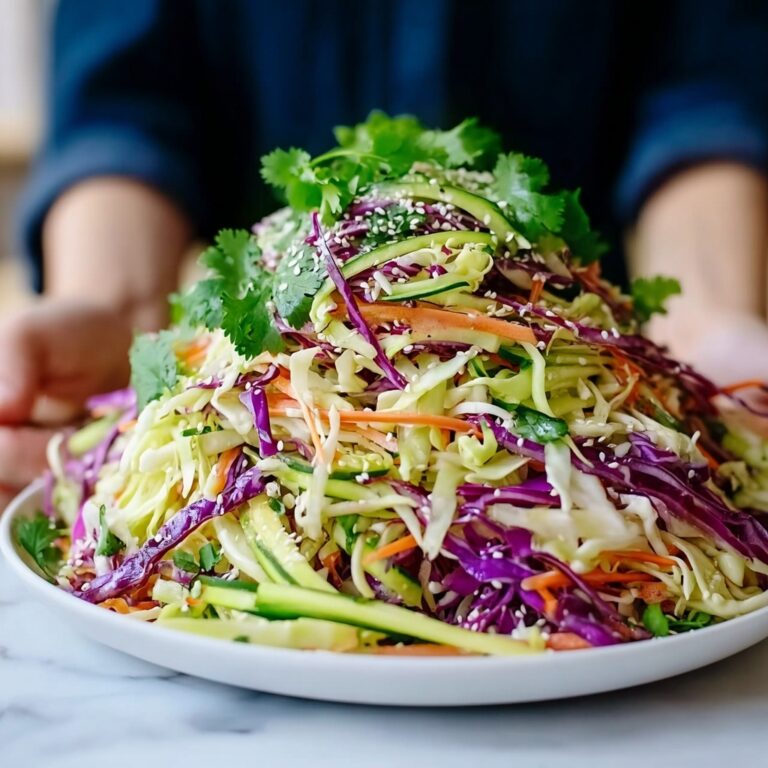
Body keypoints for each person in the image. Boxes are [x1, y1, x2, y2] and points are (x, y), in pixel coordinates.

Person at [1, 0, 767, 509]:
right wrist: (113, 304)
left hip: (574, 366)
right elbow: (124, 98)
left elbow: (705, 82)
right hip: (273, 369)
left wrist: (707, 322)